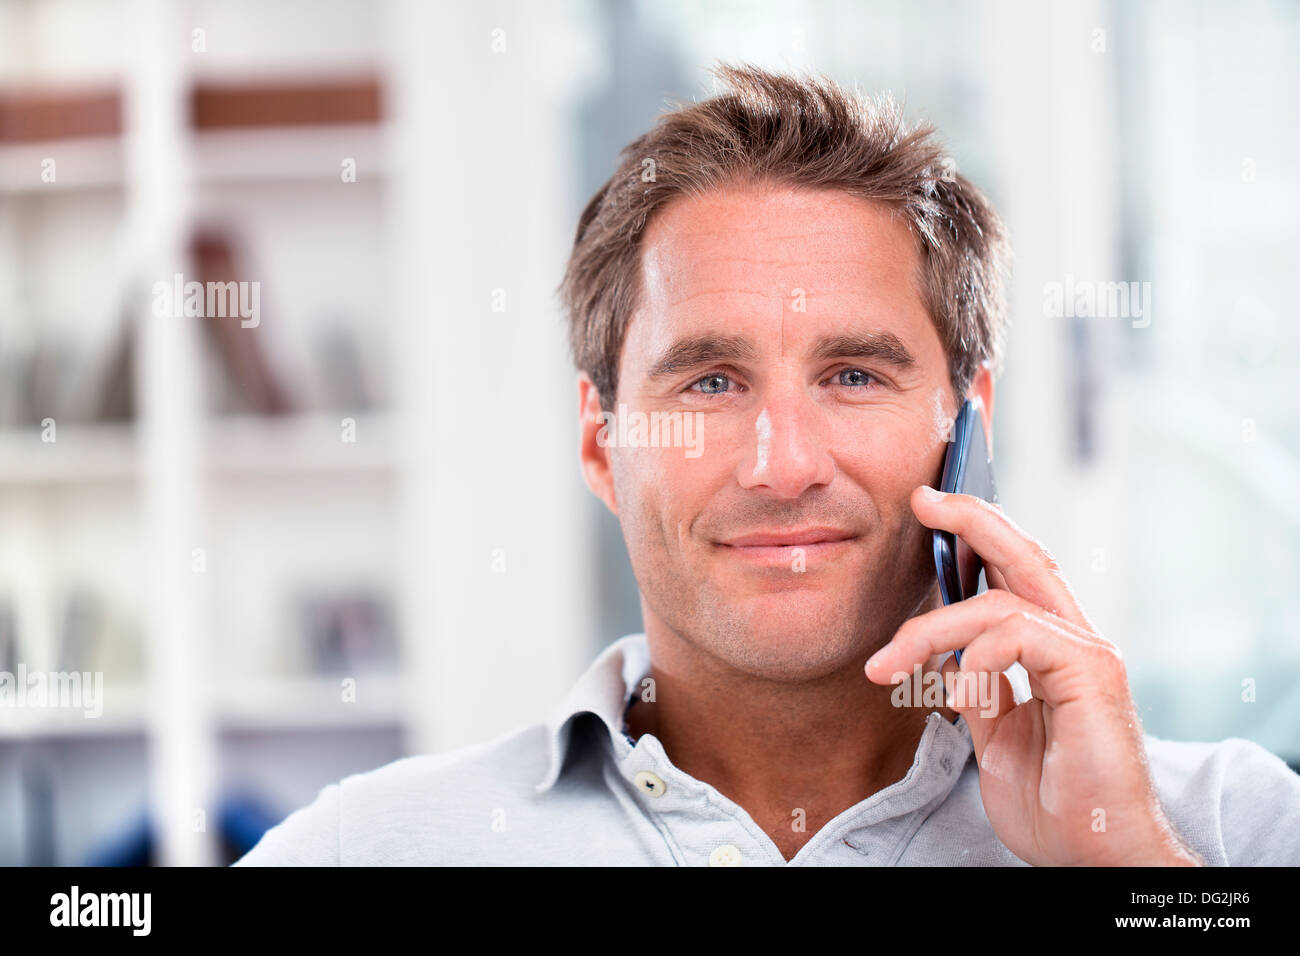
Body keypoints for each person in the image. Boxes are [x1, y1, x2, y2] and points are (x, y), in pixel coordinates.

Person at [236, 63, 1300, 866]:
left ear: (967, 424)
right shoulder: (362, 849)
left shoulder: (1226, 830)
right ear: (601, 441)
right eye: (708, 382)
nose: (782, 463)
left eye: (851, 375)